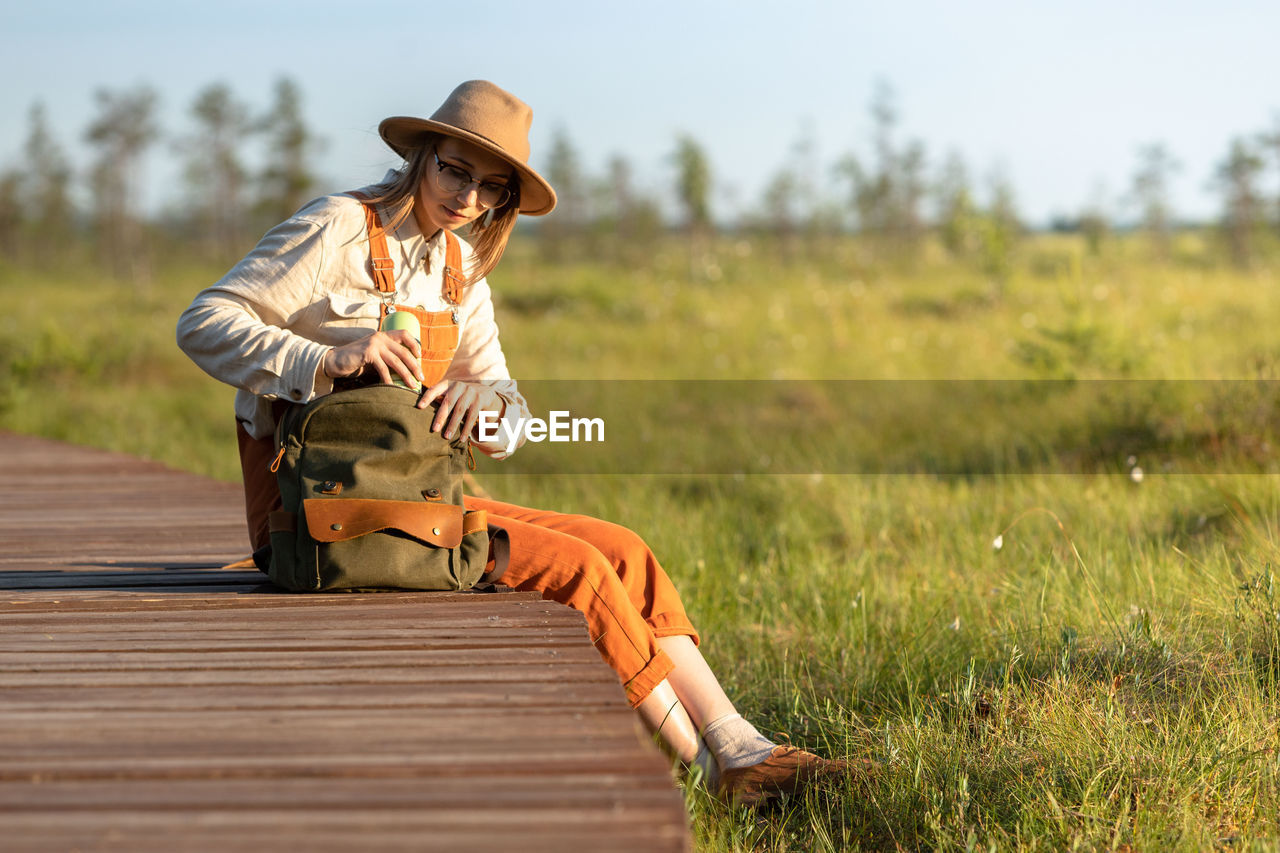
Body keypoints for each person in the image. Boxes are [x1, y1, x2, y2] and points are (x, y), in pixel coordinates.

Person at [177, 80, 848, 807]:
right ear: (421, 157)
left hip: (421, 503)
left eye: (491, 187)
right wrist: (321, 358)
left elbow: (510, 414)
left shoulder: (462, 271)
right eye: (454, 170)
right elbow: (203, 320)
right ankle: (707, 774)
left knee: (624, 549)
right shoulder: (337, 226)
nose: (468, 197)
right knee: (581, 569)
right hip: (315, 522)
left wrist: (485, 402)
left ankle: (741, 740)